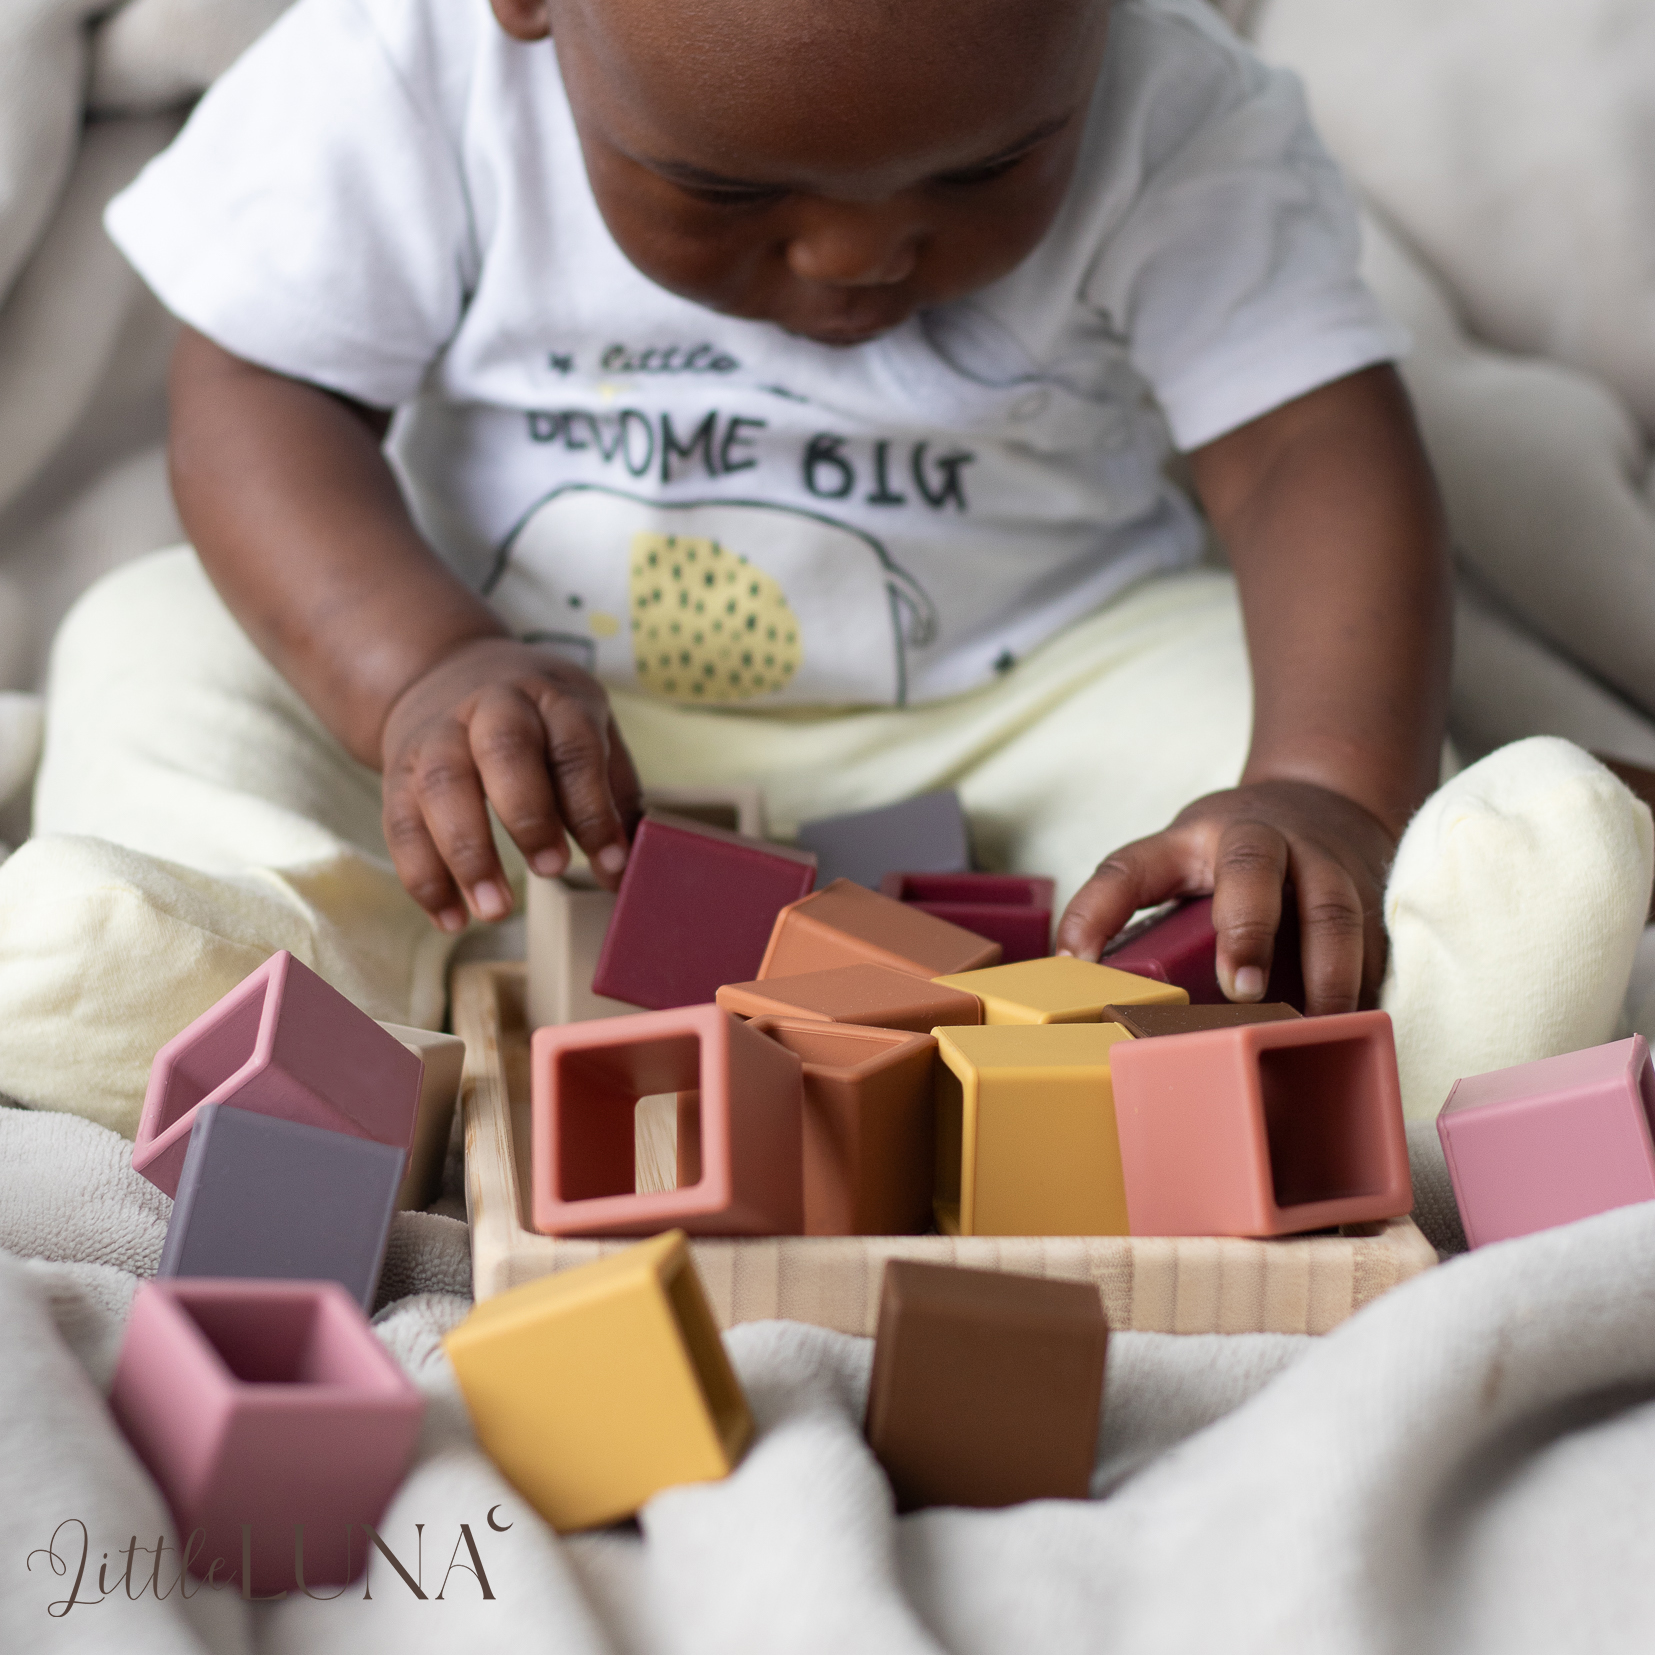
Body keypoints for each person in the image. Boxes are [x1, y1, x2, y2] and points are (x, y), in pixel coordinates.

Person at [0, 0, 1640, 1135]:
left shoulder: (1175, 104)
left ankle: (1395, 1011)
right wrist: (414, 663)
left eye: (985, 168)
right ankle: (261, 960)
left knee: (1256, 721)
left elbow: (1301, 456)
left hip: (1018, 688)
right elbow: (259, 395)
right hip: (514, 715)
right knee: (156, 627)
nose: (857, 256)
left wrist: (1317, 780)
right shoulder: (400, 72)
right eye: (720, 185)